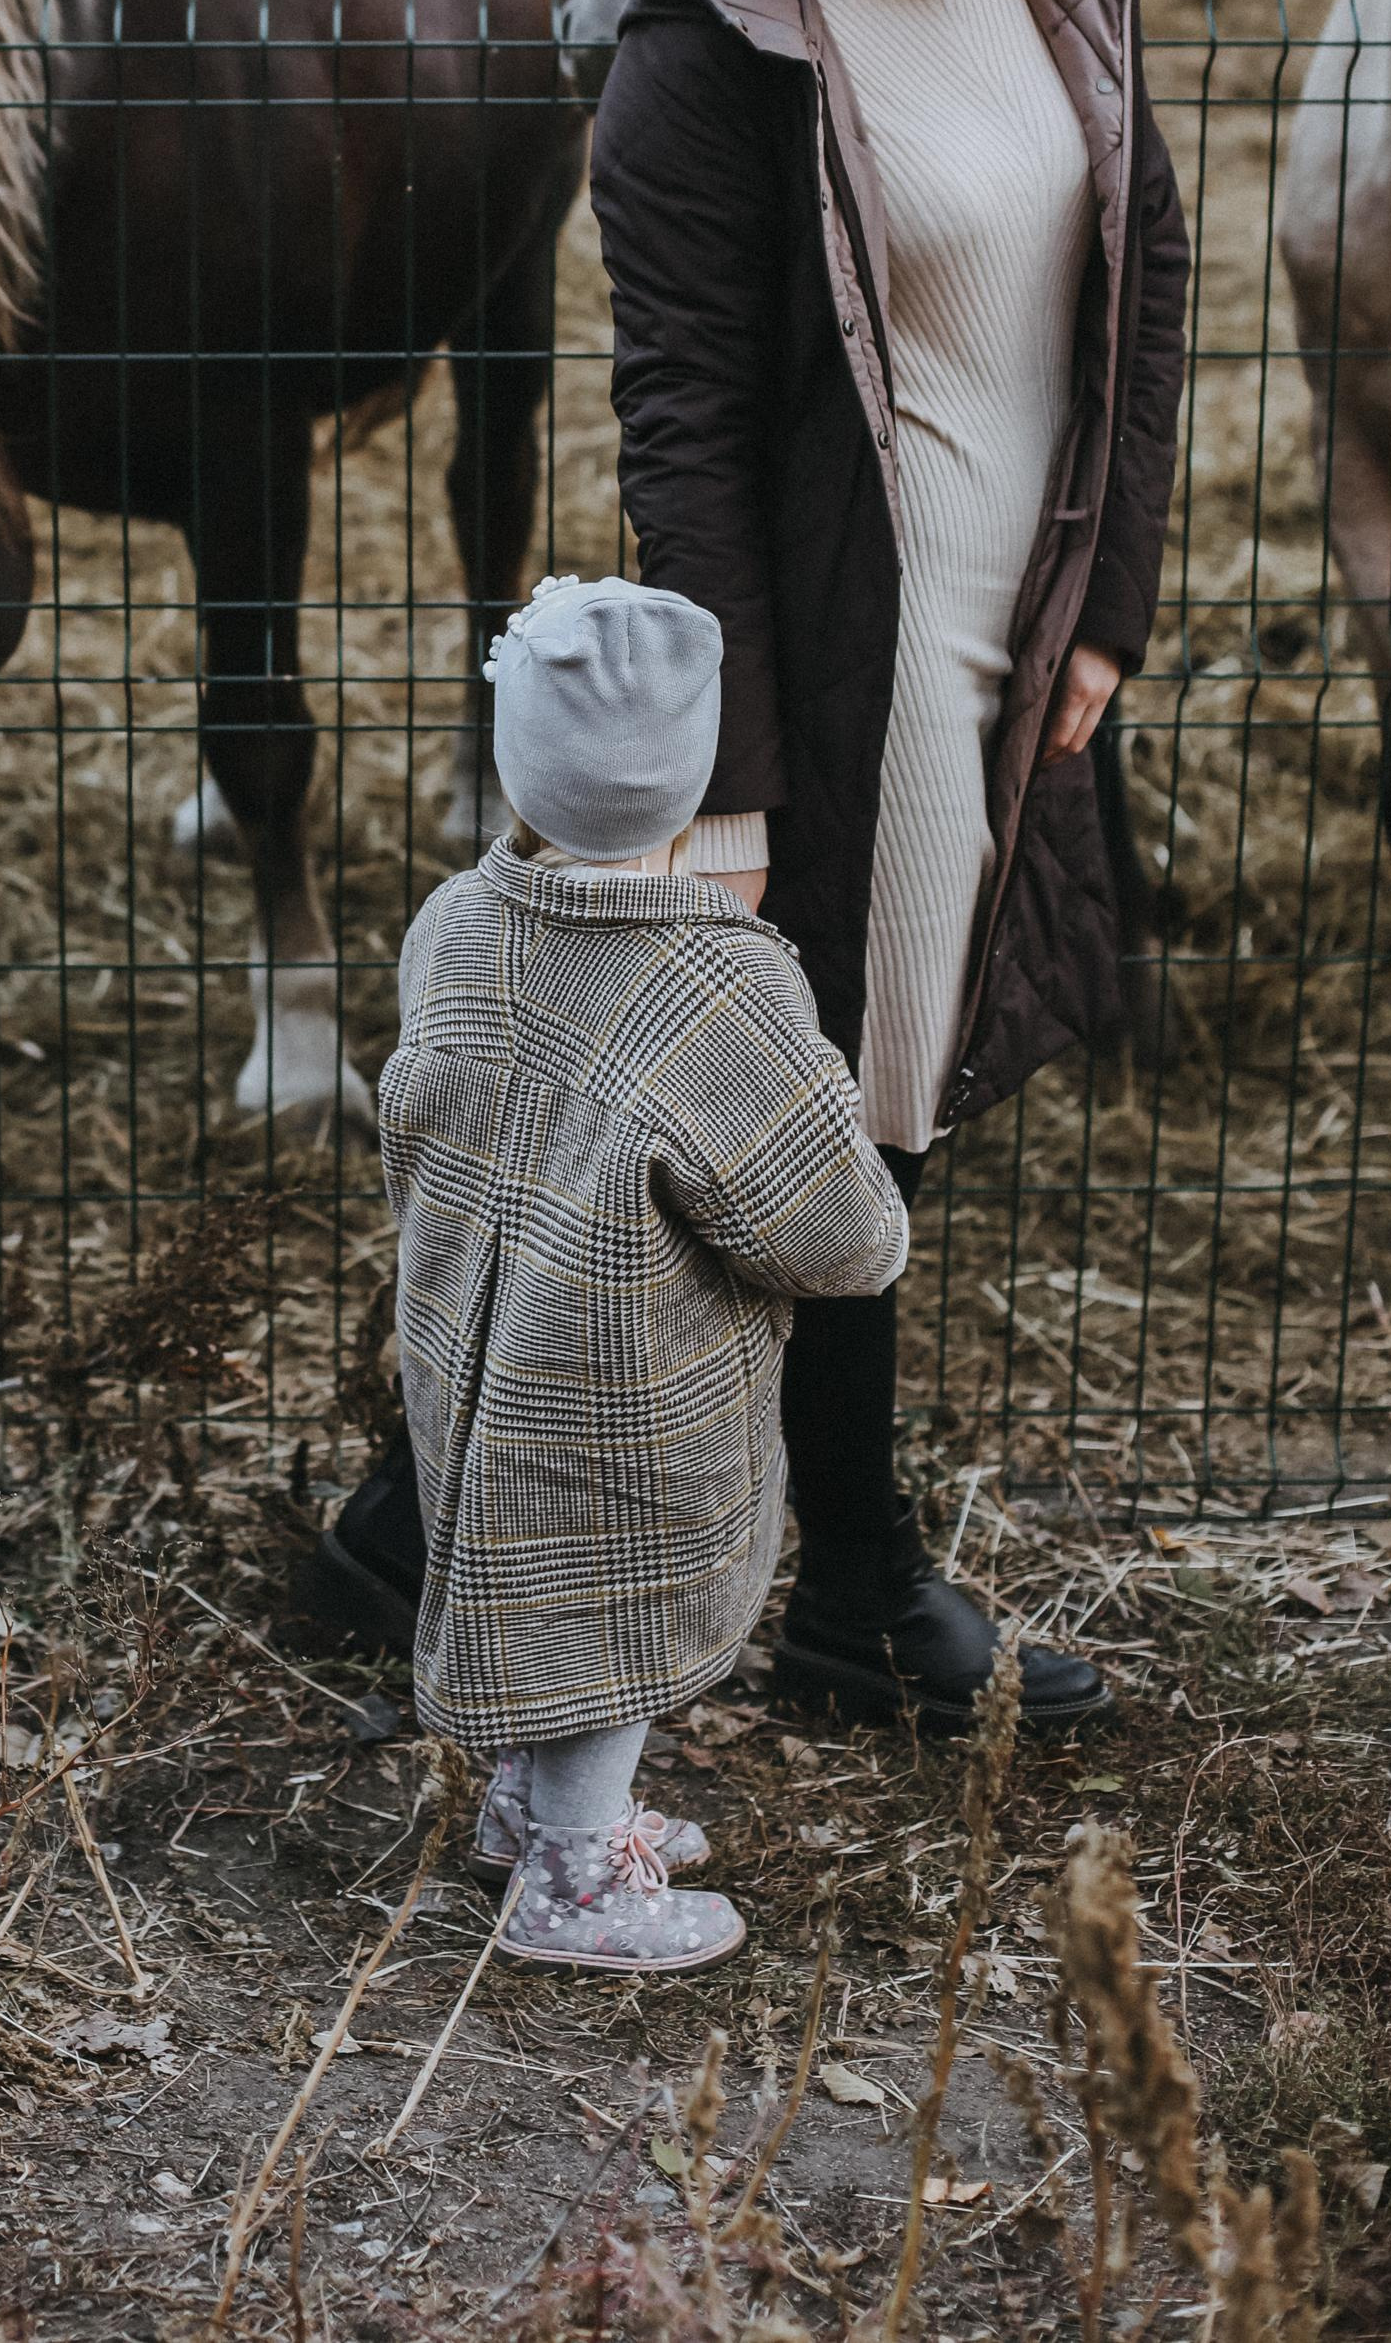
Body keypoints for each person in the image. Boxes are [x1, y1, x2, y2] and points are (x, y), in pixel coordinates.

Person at [314, 0, 1186, 1733]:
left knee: (815, 1099)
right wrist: (735, 768)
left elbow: (1142, 272)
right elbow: (681, 427)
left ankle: (411, 1527)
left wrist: (1118, 609)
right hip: (833, 639)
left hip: (1010, 618)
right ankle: (863, 1602)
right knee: (831, 1114)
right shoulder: (711, 44)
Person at [381, 572, 908, 1973]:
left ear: (513, 757)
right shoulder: (718, 985)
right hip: (633, 1384)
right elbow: (838, 1235)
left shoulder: (454, 926)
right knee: (617, 1597)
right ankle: (572, 1875)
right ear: (691, 781)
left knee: (520, 1566)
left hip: (472, 1344)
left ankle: (527, 1796)